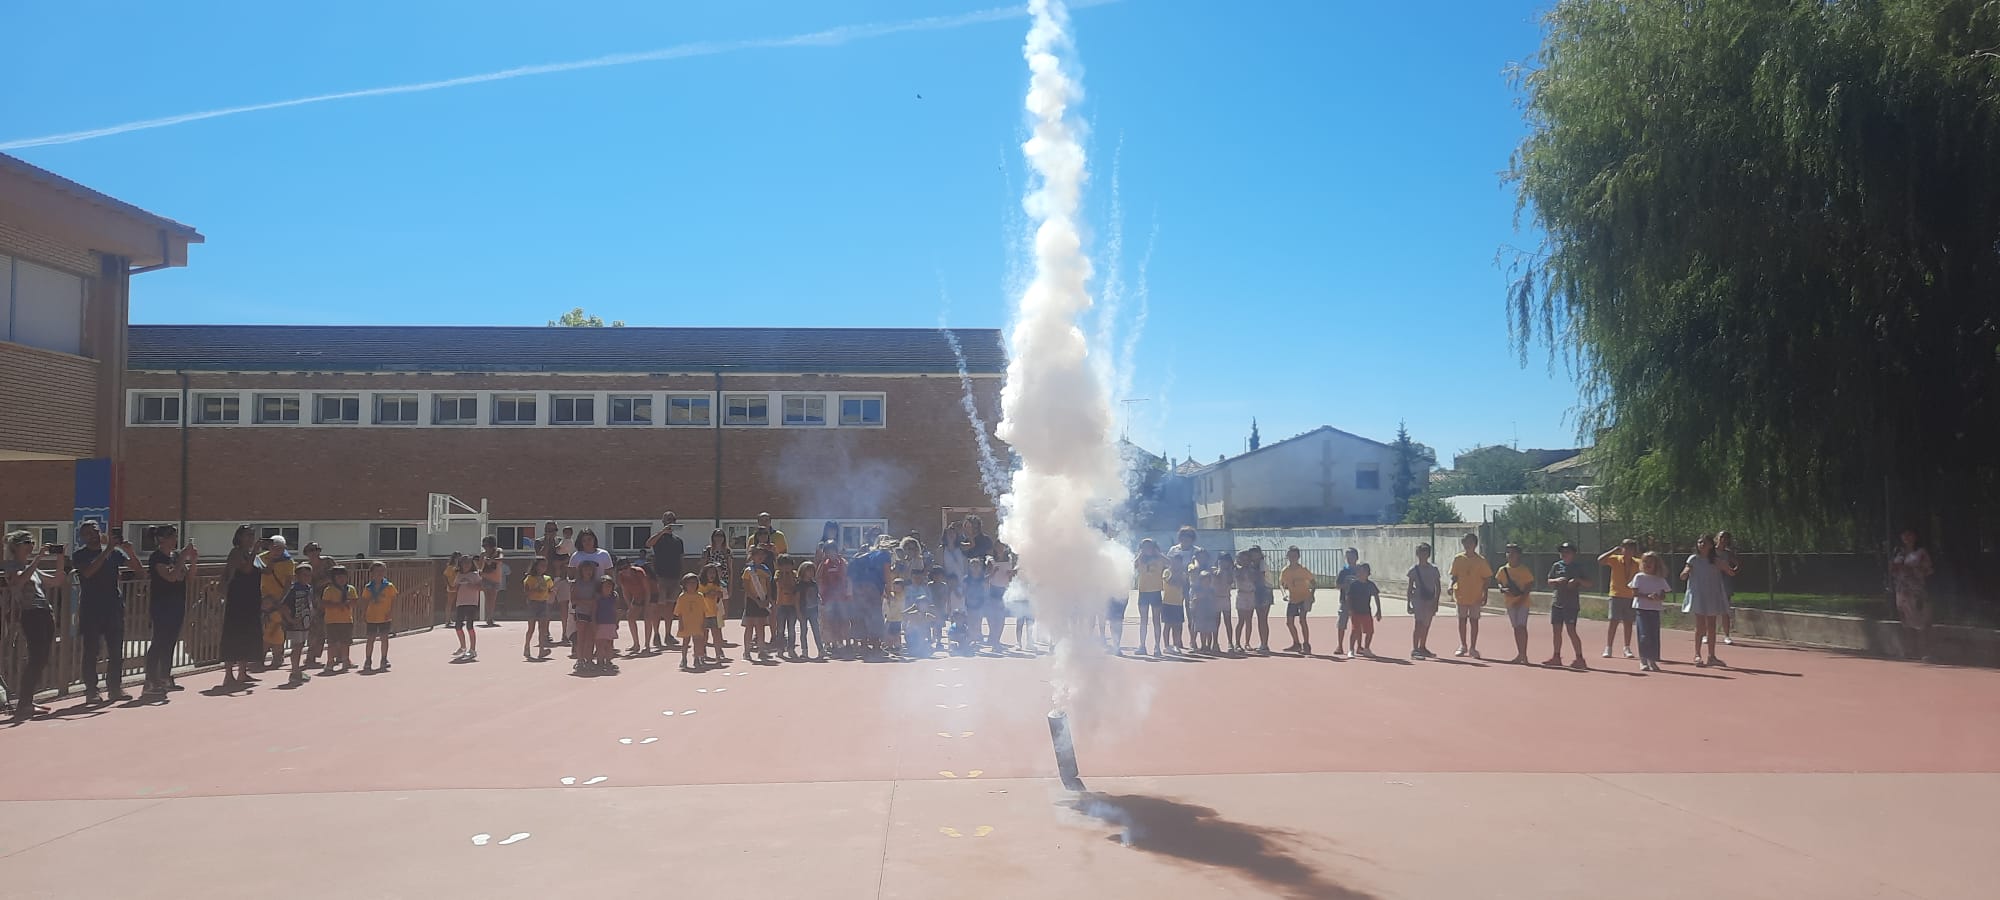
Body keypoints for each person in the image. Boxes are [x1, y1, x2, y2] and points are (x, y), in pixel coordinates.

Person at [69, 519, 141, 702]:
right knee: (92, 651)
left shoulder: (115, 552)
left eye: (95, 531)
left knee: (116, 651)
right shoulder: (80, 555)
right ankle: (91, 690)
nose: (92, 536)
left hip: (113, 606)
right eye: (88, 533)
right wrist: (107, 550)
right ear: (82, 537)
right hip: (91, 608)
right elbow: (88, 572)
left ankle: (115, 688)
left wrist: (130, 552)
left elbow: (138, 569)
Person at [5, 530, 67, 718]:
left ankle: (28, 701)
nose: (31, 545)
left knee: (42, 658)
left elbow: (57, 581)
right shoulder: (11, 565)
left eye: (32, 542)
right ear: (16, 546)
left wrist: (60, 559)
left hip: (45, 613)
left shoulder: (32, 568)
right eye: (27, 542)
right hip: (31, 614)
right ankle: (23, 704)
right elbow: (18, 581)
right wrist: (38, 558)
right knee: (36, 658)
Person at [144, 525, 197, 695]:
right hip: (161, 604)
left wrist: (193, 560)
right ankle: (150, 680)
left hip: (177, 602)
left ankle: (165, 677)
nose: (175, 540)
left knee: (171, 641)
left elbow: (189, 577)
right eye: (172, 537)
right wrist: (182, 558)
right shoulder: (157, 557)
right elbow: (170, 577)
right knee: (159, 640)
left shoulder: (175, 556)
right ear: (162, 539)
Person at [219, 526, 266, 687]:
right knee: (234, 633)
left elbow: (265, 570)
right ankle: (228, 674)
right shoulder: (236, 552)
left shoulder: (251, 555)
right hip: (237, 599)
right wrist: (255, 552)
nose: (251, 538)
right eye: (248, 535)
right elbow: (245, 569)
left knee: (248, 633)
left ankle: (242, 672)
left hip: (251, 598)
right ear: (239, 537)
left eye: (252, 535)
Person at [1681, 534, 1730, 667]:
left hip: (1712, 595)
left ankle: (1711, 656)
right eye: (1700, 542)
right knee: (1700, 626)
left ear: (1710, 545)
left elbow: (1729, 571)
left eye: (1704, 542)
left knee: (1712, 626)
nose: (1702, 544)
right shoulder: (1693, 559)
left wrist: (1726, 566)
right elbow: (1685, 572)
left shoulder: (1715, 560)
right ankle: (1697, 655)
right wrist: (1685, 572)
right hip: (1698, 595)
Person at [1544, 542, 1592, 669]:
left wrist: (1577, 580)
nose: (1564, 554)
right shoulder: (1556, 566)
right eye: (1562, 552)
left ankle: (1580, 658)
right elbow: (1549, 581)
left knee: (1571, 630)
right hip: (1557, 602)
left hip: (1571, 604)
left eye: (1567, 552)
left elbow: (1589, 583)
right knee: (1556, 631)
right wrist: (1556, 580)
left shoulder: (1578, 567)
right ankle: (1556, 657)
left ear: (1573, 554)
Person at [1890, 528, 1935, 659]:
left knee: (1920, 620)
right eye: (1904, 535)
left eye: (1909, 534)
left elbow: (1928, 570)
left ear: (1915, 536)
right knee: (1905, 621)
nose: (1907, 537)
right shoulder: (1898, 552)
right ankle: (1910, 650)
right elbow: (1893, 570)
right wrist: (1894, 567)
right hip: (1901, 590)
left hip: (1916, 590)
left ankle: (1925, 652)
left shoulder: (1920, 553)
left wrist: (1913, 569)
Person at [645, 512, 686, 650]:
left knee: (670, 607)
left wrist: (681, 576)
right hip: (660, 577)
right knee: (658, 607)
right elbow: (648, 544)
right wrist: (662, 532)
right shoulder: (658, 538)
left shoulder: (678, 541)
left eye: (672, 520)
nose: (670, 522)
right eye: (667, 519)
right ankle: (656, 634)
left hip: (674, 577)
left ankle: (668, 634)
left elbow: (681, 558)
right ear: (663, 521)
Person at [258, 536, 299, 672]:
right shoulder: (261, 558)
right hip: (264, 598)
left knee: (278, 628)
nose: (276, 551)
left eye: (280, 548)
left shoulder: (288, 561)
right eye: (274, 548)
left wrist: (281, 600)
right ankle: (260, 657)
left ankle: (277, 656)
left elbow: (288, 582)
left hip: (280, 598)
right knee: (263, 628)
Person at [1598, 539, 1642, 659]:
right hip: (1616, 595)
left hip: (1630, 596)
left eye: (1631, 549)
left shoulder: (1638, 562)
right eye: (1626, 548)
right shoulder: (1615, 559)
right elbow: (1600, 560)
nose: (1628, 551)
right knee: (1613, 622)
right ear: (1622, 549)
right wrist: (1613, 550)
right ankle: (1608, 647)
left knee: (1628, 623)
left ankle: (1627, 648)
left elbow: (1648, 568)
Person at [1629, 552, 1670, 671]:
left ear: (1656, 564)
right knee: (1643, 635)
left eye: (1650, 562)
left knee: (1653, 636)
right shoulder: (1639, 577)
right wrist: (1647, 596)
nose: (1647, 564)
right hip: (1642, 610)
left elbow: (1663, 595)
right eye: (1645, 561)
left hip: (1654, 610)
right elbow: (1635, 593)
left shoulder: (1660, 579)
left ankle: (1652, 660)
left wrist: (1658, 597)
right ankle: (1643, 660)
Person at [1496, 543, 1536, 664]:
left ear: (1518, 555)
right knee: (1516, 628)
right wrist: (1502, 589)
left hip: (1523, 602)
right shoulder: (1503, 570)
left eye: (1513, 552)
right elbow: (1499, 582)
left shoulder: (1524, 570)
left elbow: (1529, 586)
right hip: (1510, 603)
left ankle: (1524, 654)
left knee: (1522, 627)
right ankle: (1520, 653)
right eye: (1508, 552)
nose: (1510, 555)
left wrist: (1521, 600)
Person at [279, 564, 316, 683]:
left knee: (300, 646)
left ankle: (297, 670)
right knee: (296, 646)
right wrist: (290, 620)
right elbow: (283, 606)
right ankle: (294, 671)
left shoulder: (308, 588)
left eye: (309, 575)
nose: (307, 577)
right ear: (297, 576)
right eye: (304, 575)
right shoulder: (293, 589)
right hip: (296, 623)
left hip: (305, 622)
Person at [359, 561, 398, 672]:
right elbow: (365, 600)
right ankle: (368, 659)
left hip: (384, 616)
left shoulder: (389, 586)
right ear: (372, 573)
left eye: (382, 571)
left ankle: (384, 659)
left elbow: (394, 599)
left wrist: (391, 612)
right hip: (372, 616)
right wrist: (363, 613)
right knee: (370, 639)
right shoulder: (368, 587)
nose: (380, 573)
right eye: (377, 571)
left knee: (384, 638)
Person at [1406, 543, 1442, 659]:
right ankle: (1415, 649)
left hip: (1430, 600)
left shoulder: (1434, 569)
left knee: (1426, 624)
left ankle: (1422, 646)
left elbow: (1438, 587)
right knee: (1418, 624)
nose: (1423, 555)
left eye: (1425, 552)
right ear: (1417, 554)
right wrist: (1408, 603)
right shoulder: (1413, 570)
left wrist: (1436, 602)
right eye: (1421, 552)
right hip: (1418, 600)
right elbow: (1410, 587)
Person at [320, 565, 358, 674]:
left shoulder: (350, 589)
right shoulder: (329, 590)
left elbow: (355, 601)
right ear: (334, 578)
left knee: (345, 642)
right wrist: (338, 605)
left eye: (344, 576)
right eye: (339, 577)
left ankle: (345, 660)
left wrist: (349, 603)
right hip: (332, 621)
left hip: (346, 620)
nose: (342, 579)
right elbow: (325, 603)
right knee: (332, 643)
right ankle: (330, 661)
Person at [1132, 538, 1167, 656]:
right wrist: (1140, 554)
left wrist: (1158, 553)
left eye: (1150, 546)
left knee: (1156, 620)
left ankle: (1157, 646)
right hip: (1143, 592)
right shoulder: (1140, 559)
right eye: (1145, 547)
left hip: (1155, 592)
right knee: (1143, 620)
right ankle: (1142, 645)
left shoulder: (1159, 559)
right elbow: (1133, 565)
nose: (1147, 549)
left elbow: (1170, 563)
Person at [741, 546, 775, 661]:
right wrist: (756, 601)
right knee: (749, 626)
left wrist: (768, 599)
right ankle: (747, 651)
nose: (760, 557)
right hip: (752, 600)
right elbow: (746, 588)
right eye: (757, 554)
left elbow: (768, 586)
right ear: (753, 556)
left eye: (762, 554)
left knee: (761, 626)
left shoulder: (765, 570)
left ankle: (761, 650)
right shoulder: (748, 571)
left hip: (763, 599)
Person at [1280, 546, 1315, 655]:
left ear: (1298, 557)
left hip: (1304, 598)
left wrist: (1311, 596)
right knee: (1289, 622)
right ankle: (1296, 643)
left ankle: (1306, 644)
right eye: (1290, 556)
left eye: (1294, 556)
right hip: (1293, 599)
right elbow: (1281, 584)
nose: (1292, 558)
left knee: (1302, 620)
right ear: (1287, 557)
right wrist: (1284, 594)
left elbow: (1313, 583)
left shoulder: (1303, 570)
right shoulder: (1285, 571)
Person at [1342, 563, 1382, 657]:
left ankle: (1366, 648)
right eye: (1359, 571)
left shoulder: (1370, 585)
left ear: (1368, 573)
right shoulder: (1354, 585)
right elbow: (1348, 597)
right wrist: (1350, 609)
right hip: (1355, 612)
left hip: (1366, 611)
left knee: (1370, 631)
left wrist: (1379, 610)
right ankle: (1351, 650)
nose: (1361, 573)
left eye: (1363, 571)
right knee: (1355, 631)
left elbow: (1376, 596)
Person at [616, 557, 652, 654]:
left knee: (647, 617)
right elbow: (625, 591)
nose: (624, 571)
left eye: (626, 568)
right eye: (621, 569)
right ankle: (636, 644)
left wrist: (647, 605)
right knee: (631, 617)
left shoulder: (639, 572)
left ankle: (647, 645)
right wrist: (629, 605)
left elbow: (647, 589)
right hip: (637, 597)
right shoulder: (621, 576)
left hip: (649, 595)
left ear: (630, 566)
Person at [522, 558, 556, 660]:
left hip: (543, 603)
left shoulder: (547, 579)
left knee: (542, 628)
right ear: (536, 566)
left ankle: (541, 650)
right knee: (531, 628)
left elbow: (551, 590)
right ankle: (527, 646)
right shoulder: (529, 579)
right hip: (532, 603)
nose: (544, 568)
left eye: (545, 566)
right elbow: (526, 593)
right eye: (541, 565)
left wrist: (551, 593)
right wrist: (536, 588)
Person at [674, 572, 709, 670]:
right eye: (689, 583)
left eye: (694, 583)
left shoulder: (700, 596)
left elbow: (704, 611)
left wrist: (704, 623)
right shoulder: (682, 597)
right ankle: (684, 659)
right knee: (686, 642)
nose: (692, 585)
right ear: (684, 584)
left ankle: (696, 658)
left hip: (697, 623)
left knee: (697, 642)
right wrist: (680, 624)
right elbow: (679, 612)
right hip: (686, 623)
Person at [450, 555, 483, 660]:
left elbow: (481, 587)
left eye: (468, 563)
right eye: (464, 563)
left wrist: (472, 586)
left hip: (472, 603)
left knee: (469, 626)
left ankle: (472, 649)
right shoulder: (459, 575)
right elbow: (454, 588)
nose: (466, 565)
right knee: (458, 626)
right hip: (460, 603)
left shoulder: (475, 575)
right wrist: (455, 587)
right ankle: (463, 647)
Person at [698, 563, 728, 663]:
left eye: (714, 573)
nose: (712, 575)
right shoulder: (700, 585)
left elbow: (720, 596)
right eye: (710, 573)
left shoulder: (717, 585)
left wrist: (718, 594)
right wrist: (707, 594)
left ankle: (718, 654)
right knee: (704, 635)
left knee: (716, 635)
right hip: (703, 614)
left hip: (714, 613)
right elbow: (699, 596)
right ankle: (702, 653)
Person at [1716, 530, 1741, 645]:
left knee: (1725, 609)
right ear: (1717, 538)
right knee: (1709, 609)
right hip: (1712, 581)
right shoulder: (1711, 551)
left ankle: (1727, 635)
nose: (1723, 540)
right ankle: (1706, 634)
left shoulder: (1728, 553)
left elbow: (1737, 564)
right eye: (1721, 537)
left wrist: (1732, 570)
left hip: (1725, 582)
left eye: (1726, 538)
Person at [796, 560, 824, 660]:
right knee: (804, 632)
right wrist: (798, 612)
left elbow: (816, 595)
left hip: (813, 611)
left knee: (816, 631)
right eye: (808, 571)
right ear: (803, 571)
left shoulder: (814, 584)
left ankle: (821, 650)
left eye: (812, 571)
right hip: (803, 611)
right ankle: (804, 651)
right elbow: (797, 599)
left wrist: (819, 600)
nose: (811, 573)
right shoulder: (800, 584)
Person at [774, 556, 801, 659]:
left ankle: (791, 649)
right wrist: (784, 574)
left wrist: (790, 575)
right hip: (781, 604)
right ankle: (780, 649)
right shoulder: (778, 574)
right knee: (780, 629)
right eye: (783, 565)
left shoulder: (794, 574)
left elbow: (794, 585)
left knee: (791, 629)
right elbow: (780, 585)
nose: (786, 567)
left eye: (788, 565)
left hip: (792, 605)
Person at [479, 535, 506, 627]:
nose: (486, 548)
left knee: (493, 599)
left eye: (487, 546)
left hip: (495, 577)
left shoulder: (498, 551)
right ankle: (489, 617)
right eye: (484, 546)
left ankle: (490, 616)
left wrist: (492, 560)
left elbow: (501, 559)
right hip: (486, 577)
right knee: (488, 598)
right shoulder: (483, 554)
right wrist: (483, 560)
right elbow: (479, 566)